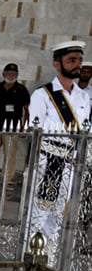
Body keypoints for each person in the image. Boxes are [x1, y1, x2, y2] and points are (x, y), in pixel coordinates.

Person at [28, 40, 90, 253]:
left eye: (80, 60)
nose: (78, 65)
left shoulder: (84, 97)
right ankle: (30, 259)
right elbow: (34, 134)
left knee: (58, 219)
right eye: (72, 60)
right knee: (38, 216)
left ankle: (49, 259)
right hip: (48, 163)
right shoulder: (43, 95)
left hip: (71, 165)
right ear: (57, 63)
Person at [0, 63, 30, 190]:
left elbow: (27, 109)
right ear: (4, 74)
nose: (11, 75)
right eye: (9, 73)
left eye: (14, 73)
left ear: (17, 75)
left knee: (10, 155)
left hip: (12, 127)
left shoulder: (21, 90)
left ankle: (7, 180)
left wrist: (25, 126)